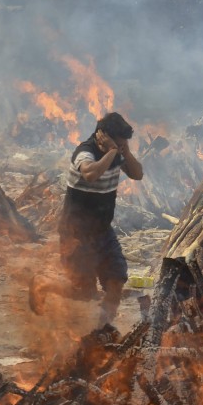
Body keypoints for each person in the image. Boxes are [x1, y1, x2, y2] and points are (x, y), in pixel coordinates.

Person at [29, 112, 144, 324]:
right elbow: (91, 174)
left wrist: (123, 152)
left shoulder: (118, 153)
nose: (120, 148)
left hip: (103, 231)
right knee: (84, 292)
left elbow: (138, 174)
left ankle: (104, 329)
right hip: (76, 234)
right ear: (103, 136)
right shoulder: (85, 152)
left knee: (116, 280)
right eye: (118, 144)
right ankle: (42, 283)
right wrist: (112, 152)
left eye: (123, 145)